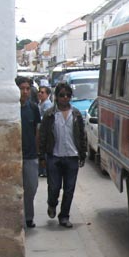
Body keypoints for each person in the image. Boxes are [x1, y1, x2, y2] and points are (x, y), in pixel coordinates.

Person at [39, 82, 87, 228]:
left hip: (72, 157)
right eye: (61, 95)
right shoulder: (50, 115)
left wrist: (82, 154)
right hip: (54, 156)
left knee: (69, 188)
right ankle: (52, 204)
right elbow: (43, 136)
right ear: (56, 97)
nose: (65, 98)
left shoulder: (76, 115)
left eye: (67, 95)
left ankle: (64, 216)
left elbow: (82, 136)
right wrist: (42, 156)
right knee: (54, 187)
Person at [17, 76, 41, 229]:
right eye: (22, 89)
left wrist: (38, 151)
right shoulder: (11, 109)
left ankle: (28, 216)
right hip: (15, 156)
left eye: (27, 88)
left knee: (31, 187)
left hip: (30, 155)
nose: (25, 92)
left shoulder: (33, 108)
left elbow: (37, 132)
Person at [37, 85, 53, 177]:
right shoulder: (41, 103)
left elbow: (45, 118)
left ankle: (45, 170)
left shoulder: (47, 104)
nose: (40, 93)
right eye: (39, 92)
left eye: (42, 92)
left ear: (47, 94)